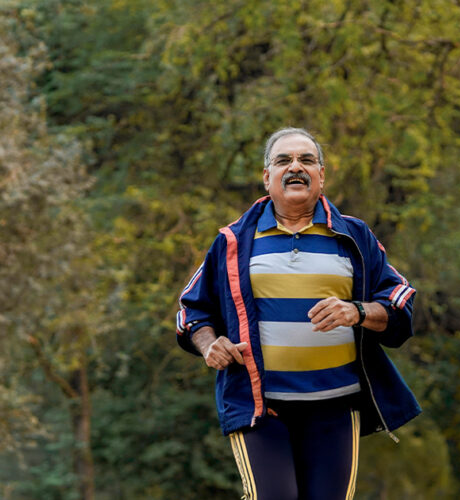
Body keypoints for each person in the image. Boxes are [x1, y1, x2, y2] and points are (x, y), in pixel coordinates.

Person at [176, 127, 420, 500]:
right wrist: (209, 344)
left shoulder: (354, 236)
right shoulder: (233, 241)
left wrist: (356, 311)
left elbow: (400, 302)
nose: (295, 167)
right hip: (261, 407)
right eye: (283, 160)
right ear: (267, 177)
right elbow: (192, 309)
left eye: (307, 160)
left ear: (321, 175)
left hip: (336, 407)